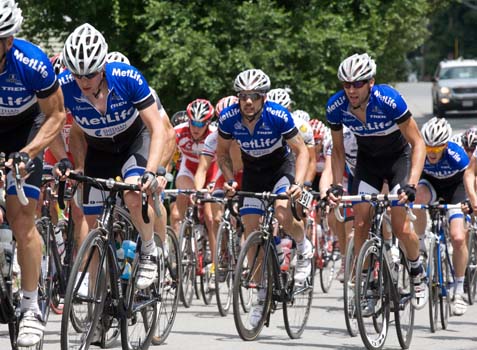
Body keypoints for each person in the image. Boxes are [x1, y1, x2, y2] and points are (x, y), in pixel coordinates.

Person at [59, 23, 174, 291]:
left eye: (89, 74)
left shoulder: (127, 78)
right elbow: (58, 124)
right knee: (92, 224)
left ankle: (148, 251)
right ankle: (99, 301)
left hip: (133, 142)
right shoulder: (65, 86)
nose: (83, 82)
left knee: (134, 195)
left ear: (102, 68)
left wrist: (154, 171)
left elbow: (158, 128)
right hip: (99, 150)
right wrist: (73, 164)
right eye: (77, 74)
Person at [326, 53, 428, 310]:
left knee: (400, 225)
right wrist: (336, 184)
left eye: (357, 83)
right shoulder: (336, 106)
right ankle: (366, 281)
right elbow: (337, 151)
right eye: (346, 84)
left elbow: (418, 144)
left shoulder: (388, 99)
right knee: (360, 223)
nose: (351, 90)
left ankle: (417, 272)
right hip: (367, 163)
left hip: (398, 161)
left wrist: (412, 184)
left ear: (370, 82)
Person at [216, 69, 312, 326]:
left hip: (281, 169)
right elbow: (222, 154)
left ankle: (302, 243)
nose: (248, 101)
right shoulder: (228, 118)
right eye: (243, 96)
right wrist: (229, 179)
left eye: (255, 96)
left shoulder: (278, 116)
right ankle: (260, 295)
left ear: (263, 98)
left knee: (282, 212)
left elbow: (301, 151)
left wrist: (299, 184)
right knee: (250, 227)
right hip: (253, 172)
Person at [0, 0, 67, 346]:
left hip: (28, 130)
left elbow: (56, 116)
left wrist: (28, 153)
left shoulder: (32, 62)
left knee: (22, 216)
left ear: (7, 41)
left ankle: (30, 307)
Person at [414, 118, 469, 315]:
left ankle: (460, 289)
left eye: (436, 150)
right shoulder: (421, 152)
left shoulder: (457, 155)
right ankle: (420, 245)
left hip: (456, 188)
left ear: (445, 145)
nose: (431, 153)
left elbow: (470, 178)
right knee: (417, 198)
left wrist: (470, 202)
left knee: (458, 237)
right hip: (431, 185)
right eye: (428, 148)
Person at [170, 98, 219, 236]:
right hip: (189, 170)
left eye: (201, 124)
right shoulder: (178, 131)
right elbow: (167, 157)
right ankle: (176, 254)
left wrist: (217, 182)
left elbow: (223, 158)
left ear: (208, 123)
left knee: (211, 218)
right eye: (193, 123)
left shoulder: (215, 134)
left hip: (212, 171)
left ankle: (217, 257)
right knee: (175, 215)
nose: (196, 128)